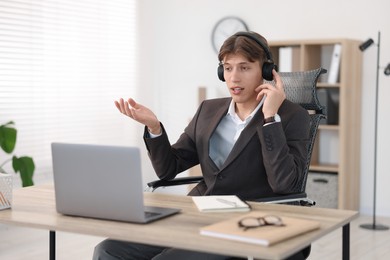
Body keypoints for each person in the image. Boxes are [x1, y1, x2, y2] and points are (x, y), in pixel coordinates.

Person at [93, 31, 311, 260]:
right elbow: (169, 168)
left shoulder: (291, 116)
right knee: (108, 250)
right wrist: (155, 128)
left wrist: (270, 119)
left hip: (246, 221)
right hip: (197, 212)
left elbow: (285, 185)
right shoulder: (209, 110)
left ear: (265, 71)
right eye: (228, 68)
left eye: (244, 68)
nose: (234, 78)